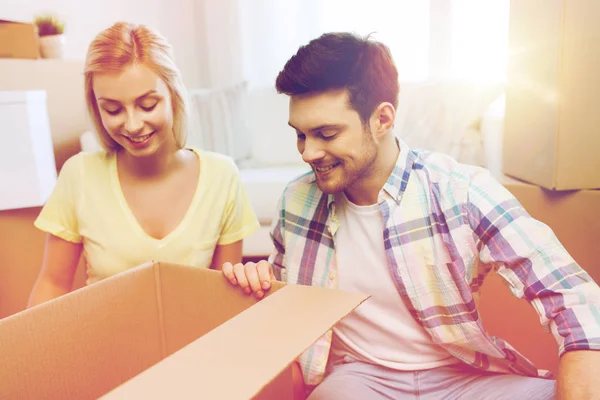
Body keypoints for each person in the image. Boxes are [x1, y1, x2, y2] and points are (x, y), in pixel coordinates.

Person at [222, 32, 600, 399]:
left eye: (326, 133)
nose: (308, 153)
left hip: (460, 379)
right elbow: (282, 301)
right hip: (358, 379)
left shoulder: (461, 190)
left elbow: (569, 292)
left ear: (383, 119)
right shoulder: (296, 200)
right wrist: (259, 283)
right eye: (301, 135)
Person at [28, 22, 259, 307]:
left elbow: (223, 296)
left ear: (173, 96)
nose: (133, 125)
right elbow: (52, 283)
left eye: (147, 105)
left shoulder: (222, 176)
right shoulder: (79, 175)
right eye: (112, 110)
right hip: (106, 343)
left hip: (194, 344)